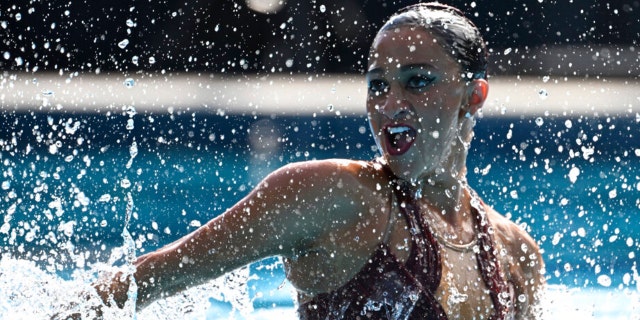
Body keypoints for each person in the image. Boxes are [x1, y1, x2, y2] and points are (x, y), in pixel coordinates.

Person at [93, 2, 545, 319]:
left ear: (473, 96)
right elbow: (146, 279)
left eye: (417, 81)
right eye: (378, 85)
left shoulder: (515, 255)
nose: (390, 105)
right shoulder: (335, 198)